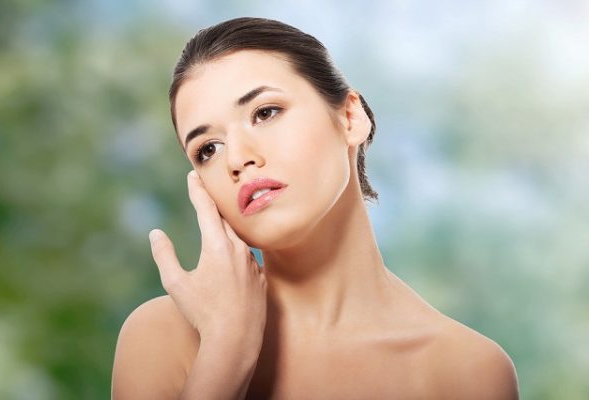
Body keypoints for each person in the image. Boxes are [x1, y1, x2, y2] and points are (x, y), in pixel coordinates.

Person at [111, 17, 519, 399]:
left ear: (350, 117)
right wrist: (226, 349)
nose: (237, 159)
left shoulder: (467, 372)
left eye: (265, 113)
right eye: (208, 149)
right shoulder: (163, 337)